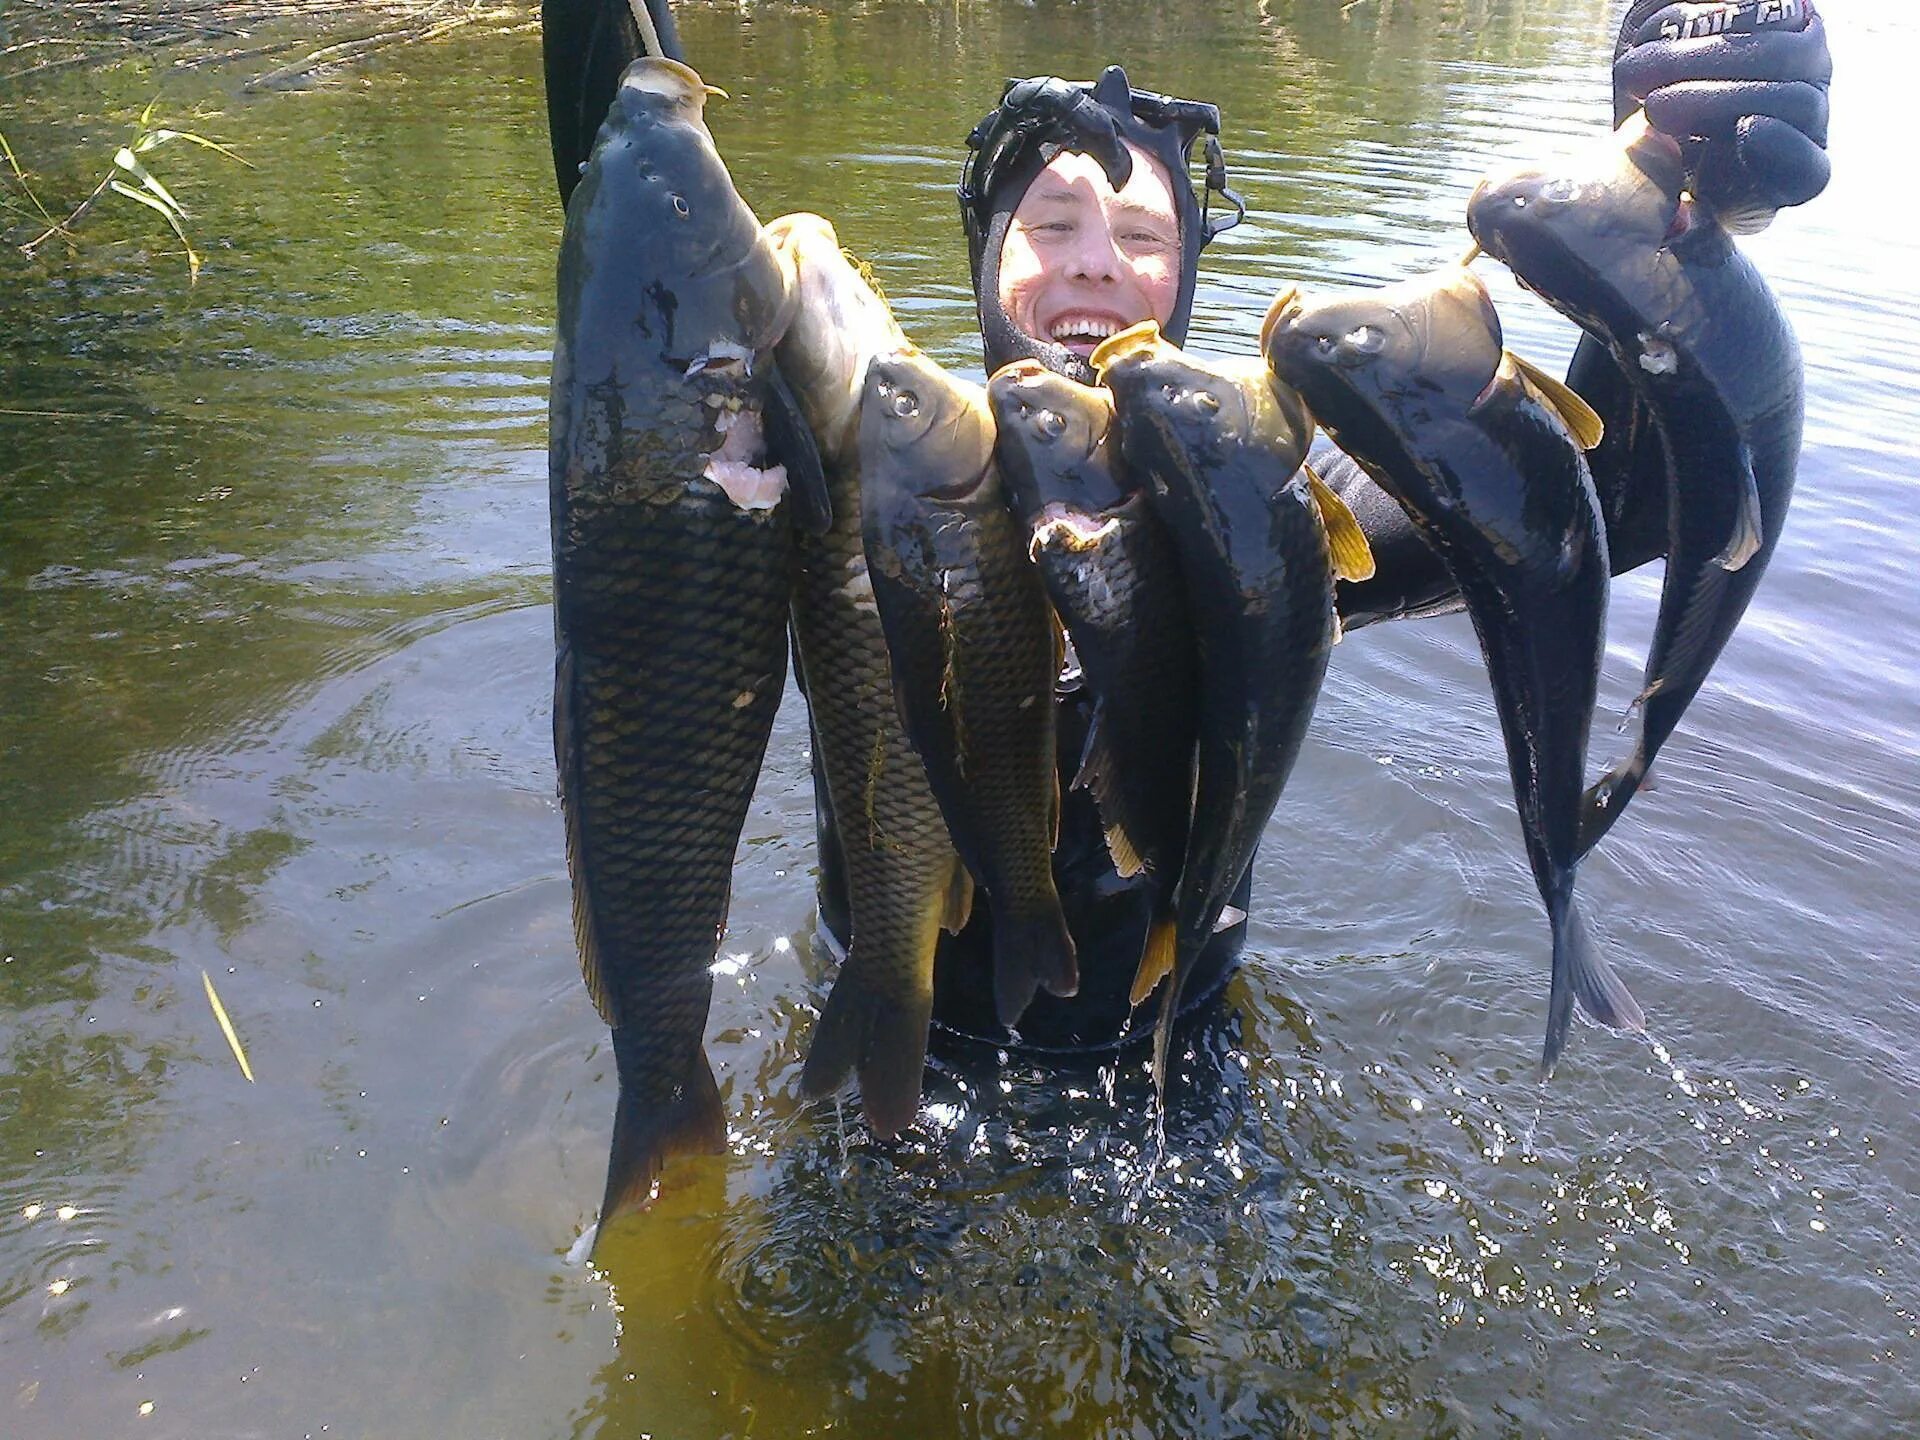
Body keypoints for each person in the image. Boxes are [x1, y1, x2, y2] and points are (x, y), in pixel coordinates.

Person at [541, 0, 1834, 1057]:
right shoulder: (846, 480)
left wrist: (1693, 213)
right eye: (1050, 225)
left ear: (1183, 287)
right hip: (895, 1036)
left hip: (1179, 1058)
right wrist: (645, 103)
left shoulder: (1263, 522)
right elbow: (641, 253)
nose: (1094, 258)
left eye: (1141, 233)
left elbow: (1609, 507)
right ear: (985, 270)